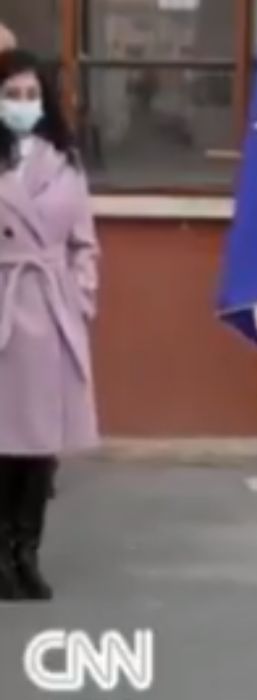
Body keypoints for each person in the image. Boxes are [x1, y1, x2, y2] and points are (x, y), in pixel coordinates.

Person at [0, 48, 101, 601]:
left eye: (30, 95)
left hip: (53, 311)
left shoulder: (66, 162)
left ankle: (26, 552)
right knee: (2, 444)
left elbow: (86, 243)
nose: (21, 105)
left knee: (39, 447)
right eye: (11, 95)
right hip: (4, 312)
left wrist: (80, 294)